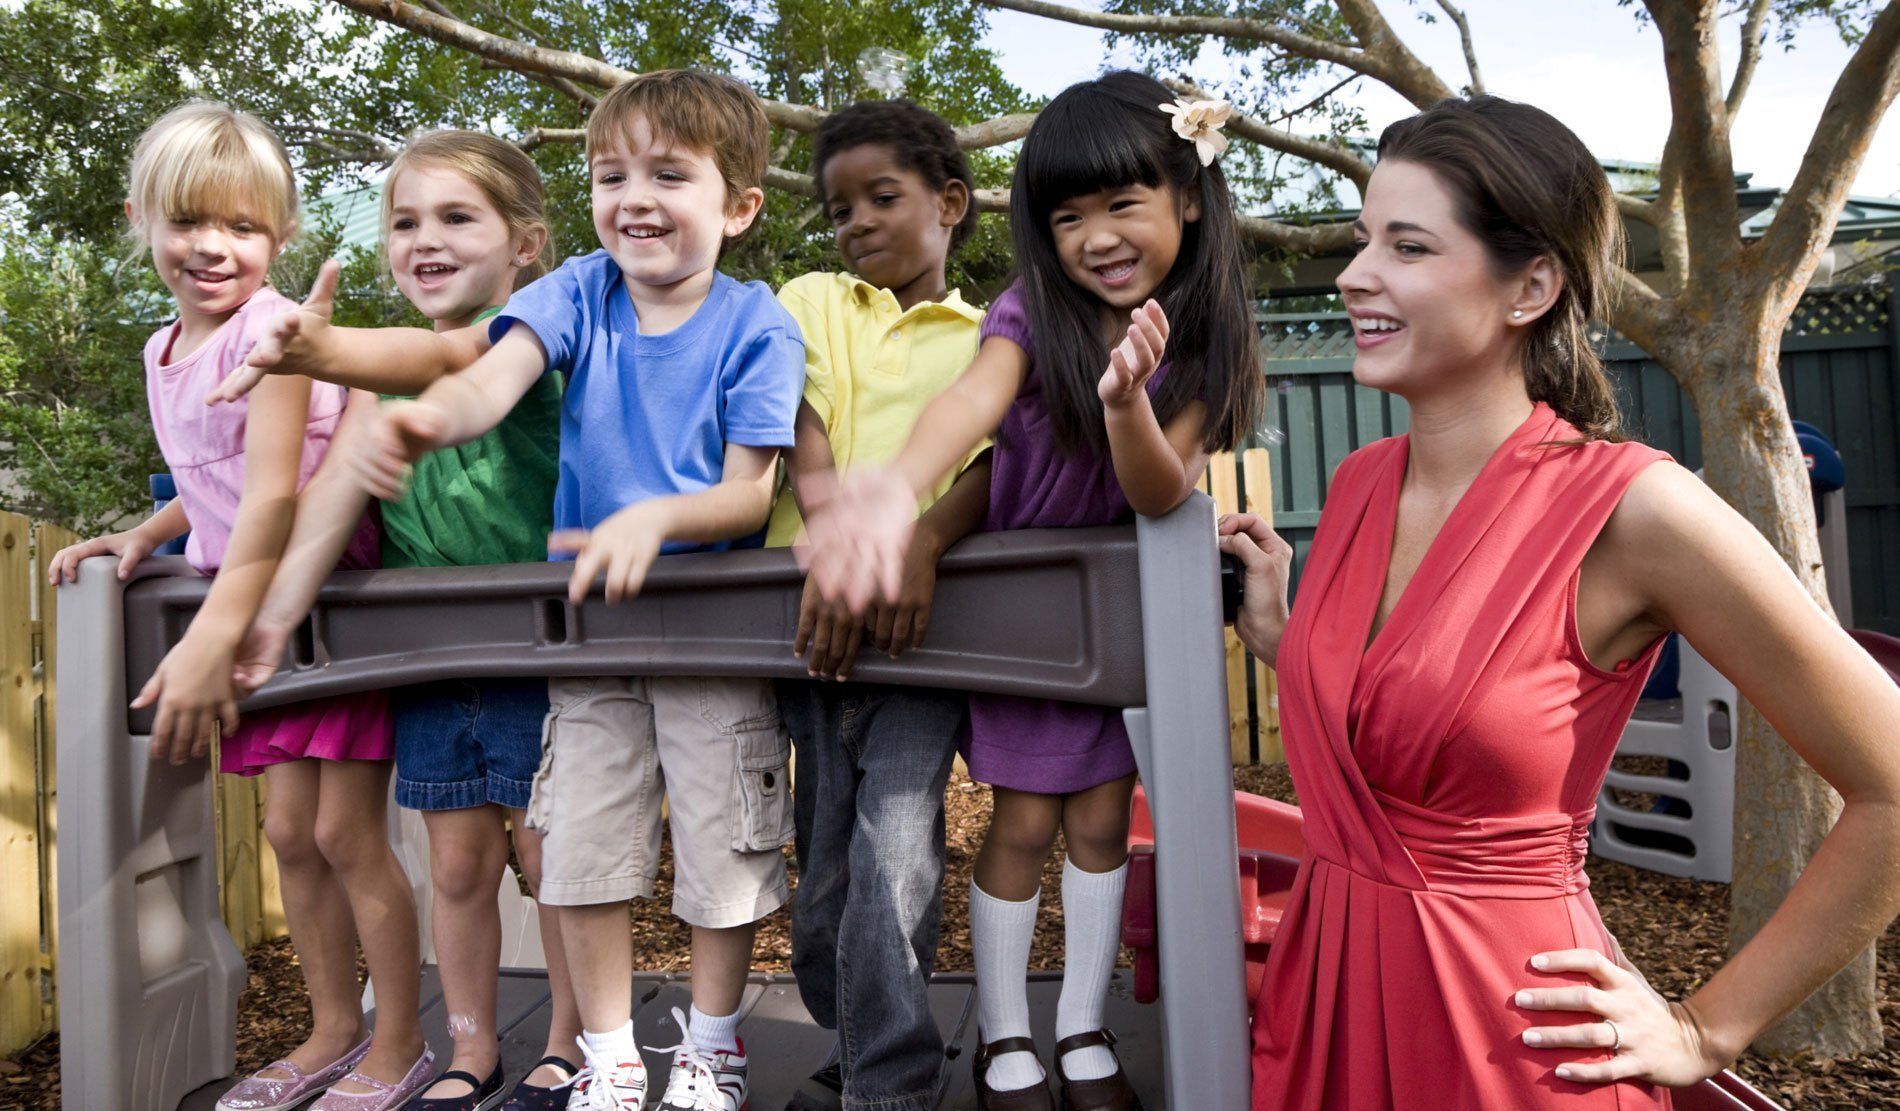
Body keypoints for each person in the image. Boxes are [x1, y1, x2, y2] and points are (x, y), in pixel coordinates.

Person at [1217, 95, 1900, 1108]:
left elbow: (1891, 784)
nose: (1358, 274)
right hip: (1323, 1005)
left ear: (1530, 283)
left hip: (1515, 1042)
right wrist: (1287, 641)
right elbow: (1425, 725)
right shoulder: (1362, 484)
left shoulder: (1637, 509)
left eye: (1406, 246)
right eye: (1364, 240)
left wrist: (1705, 1025)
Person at [308, 70, 803, 1111]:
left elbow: (748, 490)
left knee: (721, 842)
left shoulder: (757, 325)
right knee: (576, 848)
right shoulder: (577, 291)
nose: (633, 196)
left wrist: (653, 519)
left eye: (668, 174)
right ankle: (613, 1053)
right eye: (608, 173)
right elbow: (496, 371)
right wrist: (426, 419)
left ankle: (712, 1044)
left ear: (740, 205)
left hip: (704, 632)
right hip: (586, 640)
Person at [800, 71, 1265, 1111]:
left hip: (1114, 623)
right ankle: (1006, 1033)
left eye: (1121, 204)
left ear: (1187, 197)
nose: (1095, 235)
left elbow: (1155, 488)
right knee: (1019, 823)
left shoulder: (1209, 341)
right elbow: (971, 406)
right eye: (1066, 215)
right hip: (1027, 627)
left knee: (1102, 824)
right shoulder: (1029, 313)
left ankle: (1083, 1025)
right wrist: (895, 494)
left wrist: (1126, 404)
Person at [45, 101, 432, 1110]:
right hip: (249, 593)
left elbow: (274, 492)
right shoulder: (162, 349)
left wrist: (218, 629)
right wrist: (147, 530)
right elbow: (216, 471)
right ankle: (331, 1029)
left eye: (244, 227)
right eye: (189, 223)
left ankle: (401, 1043)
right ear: (141, 219)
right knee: (289, 836)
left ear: (284, 235)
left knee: (346, 834)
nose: (213, 248)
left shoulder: (272, 330)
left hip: (318, 592)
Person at [211, 129, 584, 1111]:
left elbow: (447, 361)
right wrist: (270, 619)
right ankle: (470, 1047)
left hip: (546, 653)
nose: (424, 238)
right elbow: (328, 497)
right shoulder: (378, 384)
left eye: (457, 218)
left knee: (551, 859)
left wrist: (325, 344)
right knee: (459, 863)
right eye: (404, 221)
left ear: (527, 243)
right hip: (432, 662)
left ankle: (566, 1041)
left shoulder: (536, 338)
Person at [768, 99, 993, 1111]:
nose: (854, 221)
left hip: (918, 643)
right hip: (811, 634)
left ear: (949, 201)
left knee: (894, 863)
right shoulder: (812, 298)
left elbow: (988, 468)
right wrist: (836, 541)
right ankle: (860, 1029)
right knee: (819, 891)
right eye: (837, 207)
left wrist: (922, 541)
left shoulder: (987, 338)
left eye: (881, 197)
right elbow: (804, 428)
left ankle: (888, 1083)